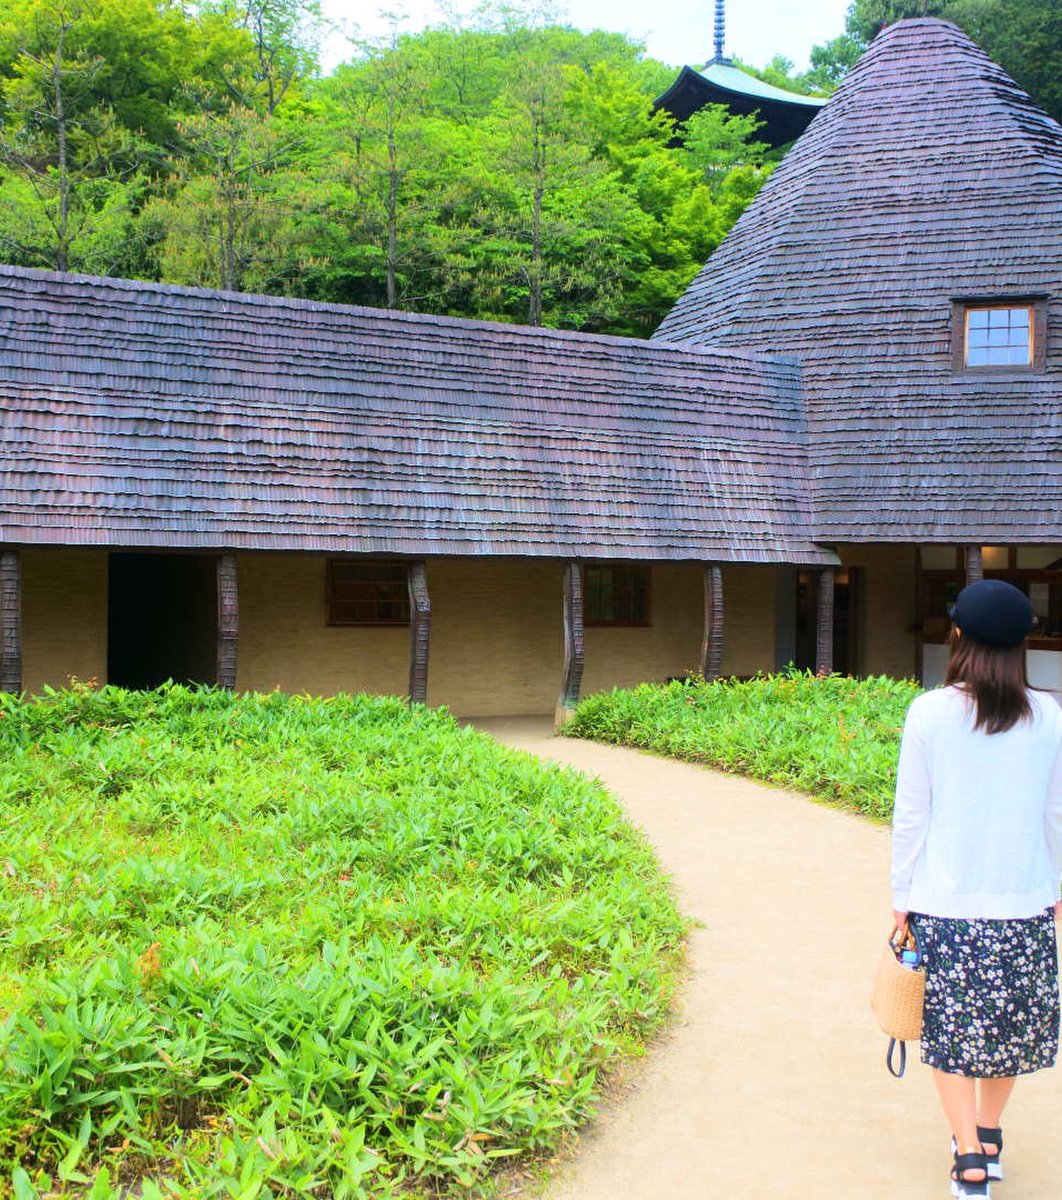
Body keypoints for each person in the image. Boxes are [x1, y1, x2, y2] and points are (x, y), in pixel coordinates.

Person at [891, 578, 1062, 1198]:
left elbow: (912, 813)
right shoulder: (1048, 714)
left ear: (957, 634)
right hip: (1024, 901)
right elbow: (1056, 812)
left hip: (945, 902)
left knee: (952, 1032)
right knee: (1011, 1031)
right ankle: (989, 1136)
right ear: (1022, 644)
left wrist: (900, 896)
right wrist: (1058, 884)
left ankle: (967, 1156)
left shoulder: (930, 712)